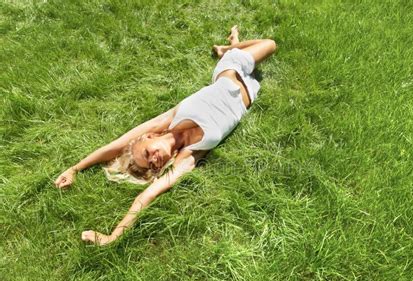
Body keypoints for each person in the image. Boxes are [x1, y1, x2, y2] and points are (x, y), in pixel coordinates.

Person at [54, 26, 276, 245]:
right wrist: (112, 237)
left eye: (147, 153)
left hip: (230, 69)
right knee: (257, 68)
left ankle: (227, 48)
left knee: (270, 44)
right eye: (151, 165)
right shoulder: (189, 157)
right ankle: (230, 46)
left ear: (149, 136)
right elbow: (146, 196)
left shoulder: (168, 120)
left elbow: (116, 145)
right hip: (249, 92)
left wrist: (75, 168)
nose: (153, 160)